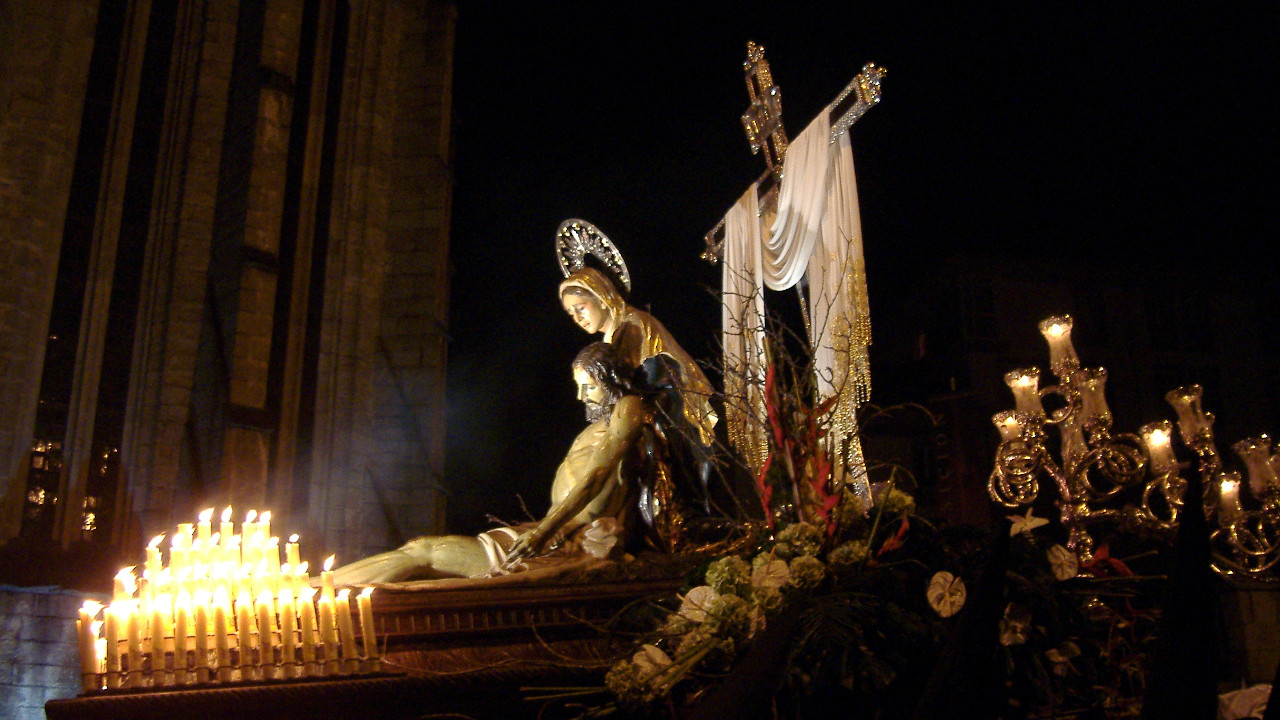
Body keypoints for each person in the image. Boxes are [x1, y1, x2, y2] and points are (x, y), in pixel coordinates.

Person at [329, 342, 654, 585]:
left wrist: (543, 532)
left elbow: (597, 474)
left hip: (566, 540)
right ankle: (316, 586)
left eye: (590, 386)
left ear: (612, 380)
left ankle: (317, 588)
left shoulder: (627, 408)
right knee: (422, 550)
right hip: (553, 533)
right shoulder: (596, 425)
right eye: (578, 386)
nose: (581, 396)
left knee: (426, 553)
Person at [559, 266, 718, 447]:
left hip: (674, 419)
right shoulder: (610, 338)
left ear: (602, 298)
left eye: (581, 308)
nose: (578, 318)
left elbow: (643, 386)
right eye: (571, 313)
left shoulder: (634, 325)